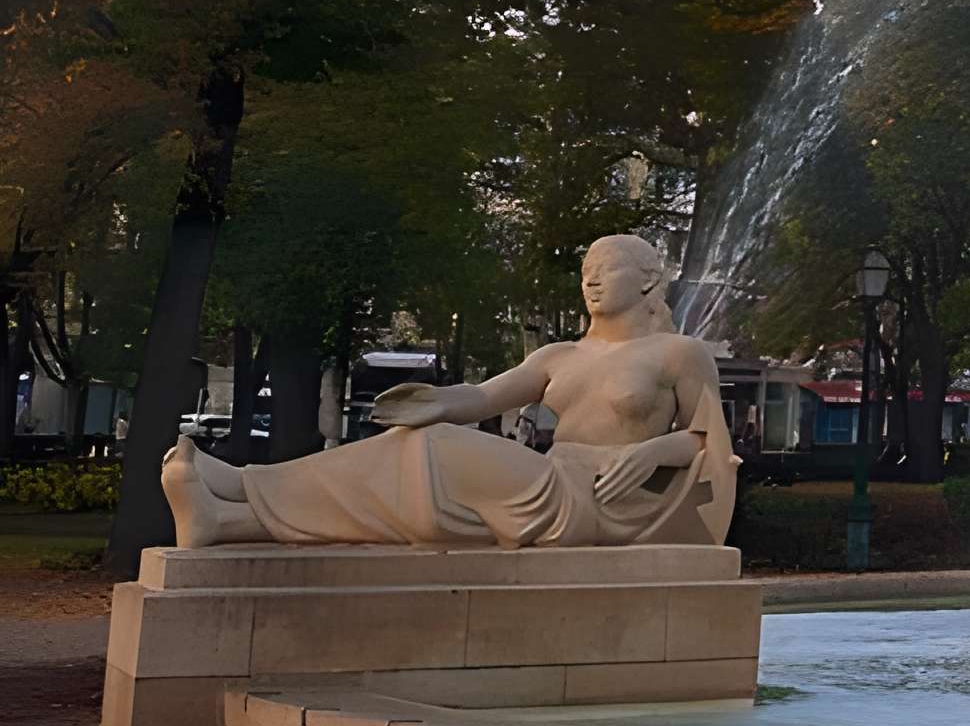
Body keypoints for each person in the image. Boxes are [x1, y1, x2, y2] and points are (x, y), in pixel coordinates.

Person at [158, 234, 735, 550]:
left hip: (603, 503)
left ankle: (240, 484)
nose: (591, 278)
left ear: (651, 280)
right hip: (549, 481)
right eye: (586, 268)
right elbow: (483, 398)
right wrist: (436, 402)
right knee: (418, 446)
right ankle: (228, 522)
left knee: (433, 451)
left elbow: (712, 445)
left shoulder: (679, 354)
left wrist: (655, 450)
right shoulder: (560, 355)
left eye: (607, 267)